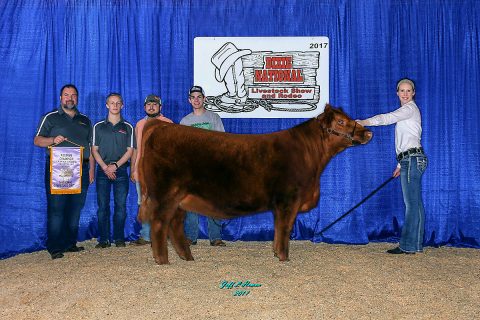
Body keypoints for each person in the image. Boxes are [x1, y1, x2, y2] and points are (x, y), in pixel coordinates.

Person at [357, 78, 428, 254]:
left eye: (408, 91)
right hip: (411, 159)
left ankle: (408, 246)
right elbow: (407, 141)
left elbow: (387, 118)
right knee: (415, 204)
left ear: (413, 93)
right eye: (402, 91)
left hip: (412, 159)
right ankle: (415, 245)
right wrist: (399, 164)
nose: (405, 94)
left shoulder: (409, 109)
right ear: (397, 93)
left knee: (412, 204)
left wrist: (364, 122)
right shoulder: (408, 111)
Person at [34, 84, 95, 259]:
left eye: (73, 95)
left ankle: (70, 243)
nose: (70, 98)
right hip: (58, 168)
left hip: (81, 168)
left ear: (77, 98)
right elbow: (37, 140)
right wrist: (53, 139)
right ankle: (54, 247)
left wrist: (91, 169)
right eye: (66, 95)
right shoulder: (50, 117)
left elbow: (89, 147)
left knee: (75, 209)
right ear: (61, 98)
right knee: (56, 209)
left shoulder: (85, 120)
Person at [180, 86, 226, 247]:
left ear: (204, 98)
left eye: (199, 96)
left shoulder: (214, 118)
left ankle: (216, 237)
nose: (196, 99)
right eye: (193, 97)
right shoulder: (185, 121)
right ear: (189, 100)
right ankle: (191, 237)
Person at [92, 93, 135, 248]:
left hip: (121, 170)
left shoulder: (128, 127)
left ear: (122, 105)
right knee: (103, 206)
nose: (115, 106)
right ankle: (104, 239)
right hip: (102, 171)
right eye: (112, 103)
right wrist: (104, 167)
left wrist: (115, 166)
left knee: (120, 206)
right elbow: (94, 149)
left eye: (118, 103)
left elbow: (130, 151)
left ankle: (119, 238)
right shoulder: (98, 126)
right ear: (107, 105)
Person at [130, 94, 173, 245]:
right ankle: (146, 236)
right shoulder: (140, 124)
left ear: (160, 107)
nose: (151, 107)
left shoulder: (168, 123)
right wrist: (133, 169)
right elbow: (136, 148)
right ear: (144, 107)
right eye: (149, 104)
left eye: (155, 104)